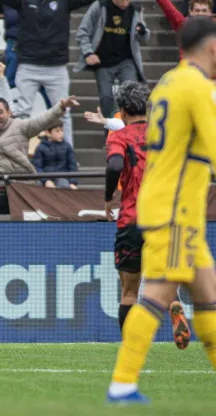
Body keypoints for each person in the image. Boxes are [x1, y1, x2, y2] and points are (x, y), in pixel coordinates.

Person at [106, 17, 216, 404]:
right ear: (211, 47)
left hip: (172, 205)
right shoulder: (198, 87)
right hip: (174, 209)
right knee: (155, 294)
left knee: (209, 297)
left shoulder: (169, 81)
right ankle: (121, 384)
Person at [101, 80, 191, 346]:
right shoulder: (164, 135)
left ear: (123, 112)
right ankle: (174, 303)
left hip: (132, 218)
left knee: (129, 290)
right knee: (163, 276)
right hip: (163, 217)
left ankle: (131, 346)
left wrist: (108, 198)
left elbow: (115, 164)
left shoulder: (120, 136)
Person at [0, 0, 96, 146]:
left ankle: (68, 155)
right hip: (28, 65)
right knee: (22, 112)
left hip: (56, 68)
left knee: (64, 113)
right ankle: (15, 152)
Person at [74, 0, 150, 118]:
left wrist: (142, 31)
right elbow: (82, 32)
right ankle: (109, 128)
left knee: (131, 94)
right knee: (106, 97)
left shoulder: (135, 10)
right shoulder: (100, 6)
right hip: (103, 61)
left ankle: (129, 127)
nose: (125, 3)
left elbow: (144, 38)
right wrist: (88, 53)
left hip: (126, 59)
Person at [32, 120, 79, 189]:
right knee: (37, 187)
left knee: (64, 185)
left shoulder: (67, 146)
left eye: (62, 130)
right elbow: (37, 167)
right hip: (45, 177)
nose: (61, 134)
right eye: (57, 131)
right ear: (47, 133)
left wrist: (72, 182)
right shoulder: (40, 147)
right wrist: (46, 180)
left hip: (62, 177)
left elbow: (72, 165)